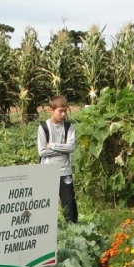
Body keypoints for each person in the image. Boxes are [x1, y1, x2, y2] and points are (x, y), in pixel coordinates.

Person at [37, 95, 78, 223]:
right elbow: (42, 151)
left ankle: (72, 228)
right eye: (60, 110)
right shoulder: (43, 128)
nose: (63, 114)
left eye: (65, 111)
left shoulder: (68, 127)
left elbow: (71, 147)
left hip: (65, 171)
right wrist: (62, 149)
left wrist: (53, 146)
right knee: (47, 203)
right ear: (51, 110)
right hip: (47, 171)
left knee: (69, 203)